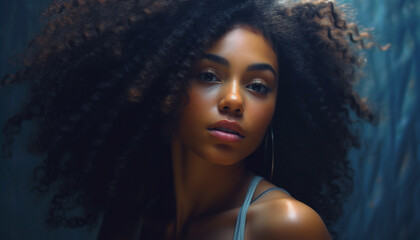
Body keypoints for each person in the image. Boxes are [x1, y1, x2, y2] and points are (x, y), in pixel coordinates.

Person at [1, 0, 379, 239]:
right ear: (160, 85)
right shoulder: (130, 220)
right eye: (209, 76)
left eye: (258, 86)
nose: (233, 100)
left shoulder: (285, 226)